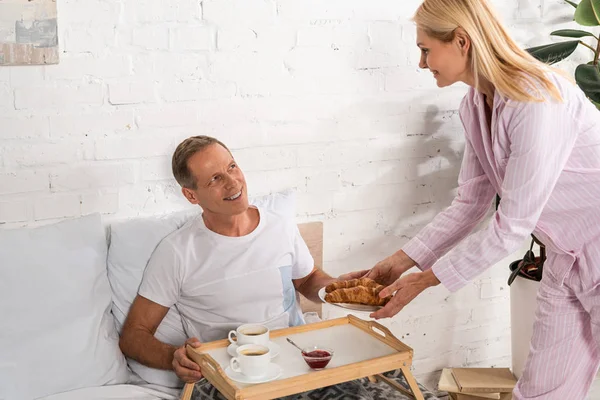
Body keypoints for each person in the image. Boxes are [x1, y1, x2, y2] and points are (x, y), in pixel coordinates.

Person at [342, 0, 600, 399]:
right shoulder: (474, 106)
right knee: (541, 392)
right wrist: (397, 263)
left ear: (461, 41)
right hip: (566, 259)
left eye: (426, 49)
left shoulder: (538, 98)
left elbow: (512, 224)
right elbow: (471, 202)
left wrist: (425, 281)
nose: (422, 62)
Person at [119, 135, 336, 383]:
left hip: (296, 363)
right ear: (191, 195)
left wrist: (338, 289)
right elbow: (133, 336)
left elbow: (307, 279)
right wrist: (173, 357)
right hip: (229, 376)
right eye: (215, 179)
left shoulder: (279, 226)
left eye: (231, 166)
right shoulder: (177, 251)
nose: (233, 183)